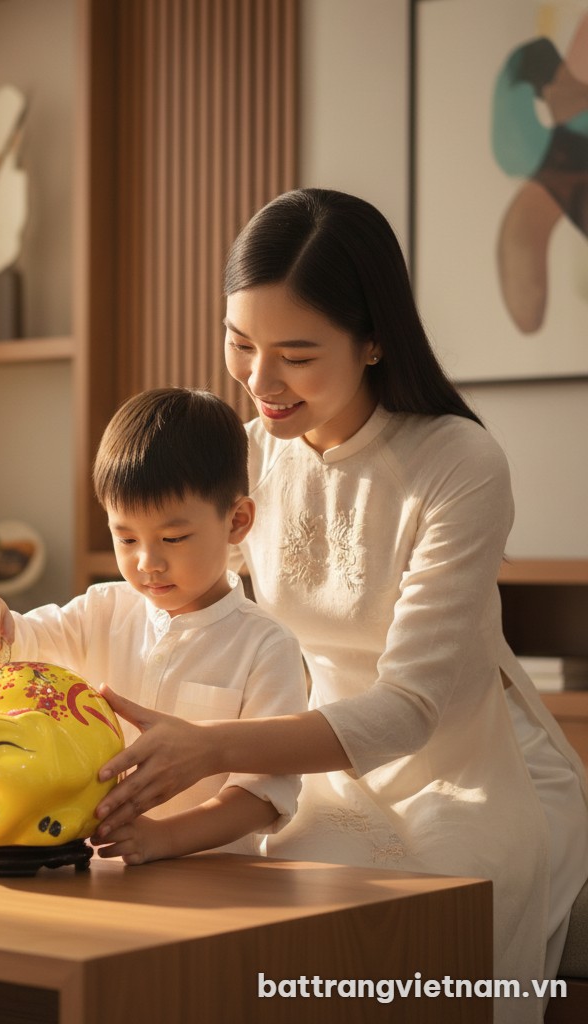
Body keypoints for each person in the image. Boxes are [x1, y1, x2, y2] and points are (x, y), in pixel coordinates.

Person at [91, 188, 588, 1023]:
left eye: (295, 354)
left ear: (373, 341)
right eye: (239, 344)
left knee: (372, 931)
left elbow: (410, 709)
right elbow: (179, 608)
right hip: (306, 762)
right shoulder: (246, 457)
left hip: (465, 769)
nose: (259, 381)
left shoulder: (458, 464)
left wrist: (212, 750)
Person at [0, 386, 308, 865]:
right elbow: (7, 656)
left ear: (237, 521)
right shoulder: (101, 610)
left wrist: (166, 838)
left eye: (174, 538)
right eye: (127, 538)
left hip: (210, 874)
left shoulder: (265, 646)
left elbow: (264, 794)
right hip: (88, 867)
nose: (147, 562)